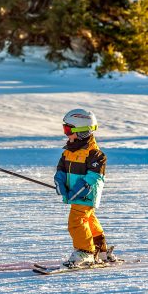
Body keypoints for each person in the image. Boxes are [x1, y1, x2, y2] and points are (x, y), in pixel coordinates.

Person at [53, 108, 117, 266]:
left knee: (76, 221)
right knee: (88, 219)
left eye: (68, 130)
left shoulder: (96, 155)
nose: (66, 133)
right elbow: (60, 170)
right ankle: (100, 249)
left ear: (81, 131)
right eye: (65, 129)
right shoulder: (68, 152)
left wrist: (76, 191)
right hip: (76, 194)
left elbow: (93, 178)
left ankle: (85, 251)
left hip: (87, 194)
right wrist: (60, 183)